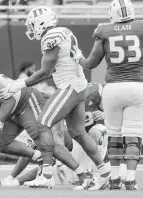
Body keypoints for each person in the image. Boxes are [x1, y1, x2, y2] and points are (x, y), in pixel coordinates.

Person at [0, 6, 110, 190]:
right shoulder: (63, 32)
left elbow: (45, 72)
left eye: (33, 25)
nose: (32, 29)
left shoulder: (50, 38)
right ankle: (104, 173)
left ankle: (47, 175)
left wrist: (21, 83)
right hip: (78, 85)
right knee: (78, 133)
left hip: (69, 87)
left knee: (42, 124)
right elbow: (53, 70)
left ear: (42, 23)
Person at [0, 57, 95, 190]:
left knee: (45, 141)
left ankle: (82, 173)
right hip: (11, 110)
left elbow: (9, 100)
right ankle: (38, 156)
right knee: (0, 144)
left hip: (25, 102)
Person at [71, 0, 143, 191]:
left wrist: (78, 57)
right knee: (133, 135)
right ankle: (130, 178)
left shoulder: (104, 30)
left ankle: (114, 177)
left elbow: (91, 63)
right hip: (137, 85)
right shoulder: (141, 26)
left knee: (115, 135)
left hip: (113, 88)